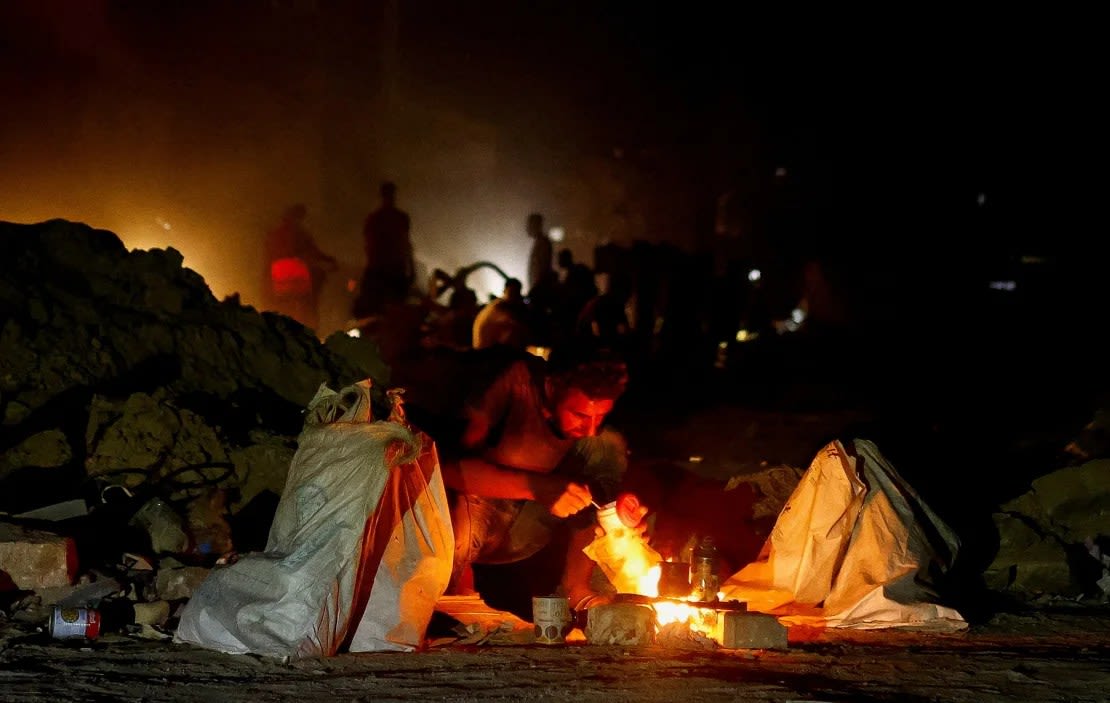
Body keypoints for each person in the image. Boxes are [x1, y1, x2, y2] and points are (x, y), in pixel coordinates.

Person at [439, 352, 642, 614]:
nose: (590, 428)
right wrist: (537, 487)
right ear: (551, 387)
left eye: (600, 416)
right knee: (457, 530)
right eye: (579, 414)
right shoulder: (512, 383)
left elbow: (604, 478)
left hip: (525, 525)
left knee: (606, 444)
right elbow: (448, 469)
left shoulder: (590, 429)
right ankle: (443, 592)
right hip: (472, 510)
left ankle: (576, 590)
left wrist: (620, 513)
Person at [263, 203, 338, 330]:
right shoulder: (300, 234)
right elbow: (313, 251)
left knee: (284, 304)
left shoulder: (275, 234)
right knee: (304, 304)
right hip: (296, 273)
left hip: (279, 275)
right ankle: (305, 329)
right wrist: (329, 261)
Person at [354, 180, 414, 318]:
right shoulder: (396, 217)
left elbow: (368, 246)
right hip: (389, 269)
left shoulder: (376, 218)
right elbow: (406, 244)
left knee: (379, 309)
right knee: (393, 308)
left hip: (383, 268)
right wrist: (410, 267)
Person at [471, 277, 530, 350]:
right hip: (486, 355)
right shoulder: (500, 309)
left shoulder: (494, 306)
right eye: (513, 293)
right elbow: (515, 332)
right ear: (505, 291)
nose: (516, 297)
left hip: (483, 352)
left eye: (517, 293)